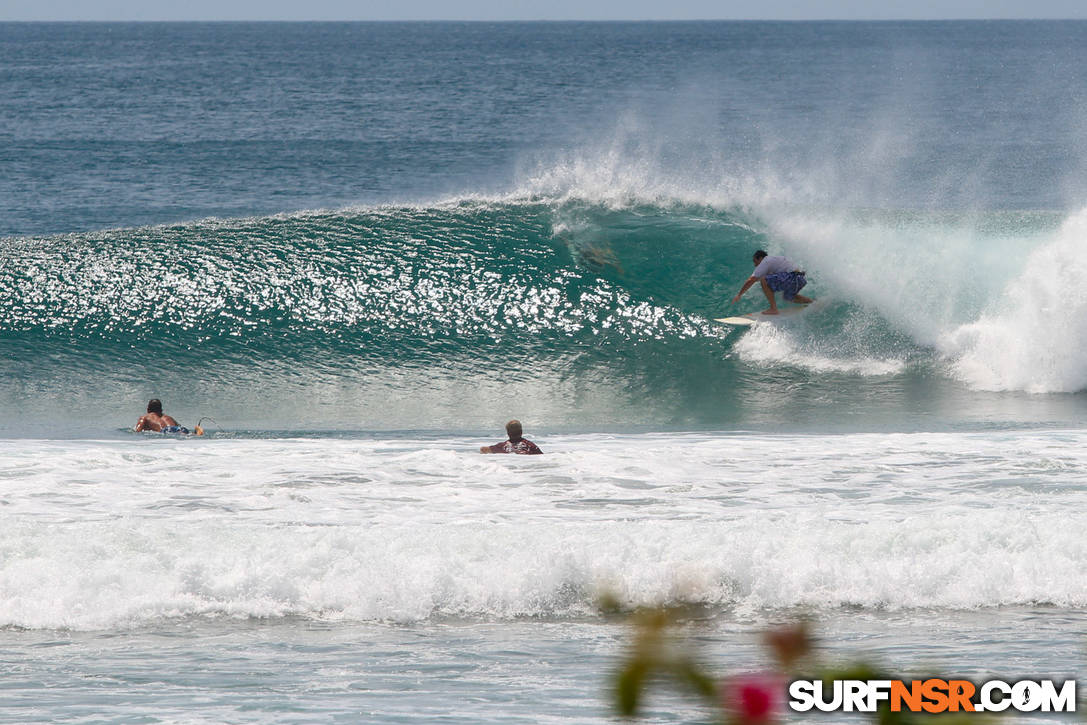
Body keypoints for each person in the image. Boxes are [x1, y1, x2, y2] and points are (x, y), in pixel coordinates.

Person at [730, 250, 813, 315]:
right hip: (799, 279)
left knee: (764, 280)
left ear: (760, 258)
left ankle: (773, 309)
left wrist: (739, 294)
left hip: (792, 277)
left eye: (755, 261)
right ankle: (811, 302)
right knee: (788, 297)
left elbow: (751, 280)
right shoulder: (775, 260)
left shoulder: (765, 261)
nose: (755, 265)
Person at [134, 399, 204, 435]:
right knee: (182, 433)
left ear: (148, 409)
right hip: (180, 428)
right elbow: (178, 425)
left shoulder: (145, 417)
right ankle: (195, 433)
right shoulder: (168, 417)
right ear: (161, 409)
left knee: (173, 433)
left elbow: (137, 431)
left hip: (166, 430)